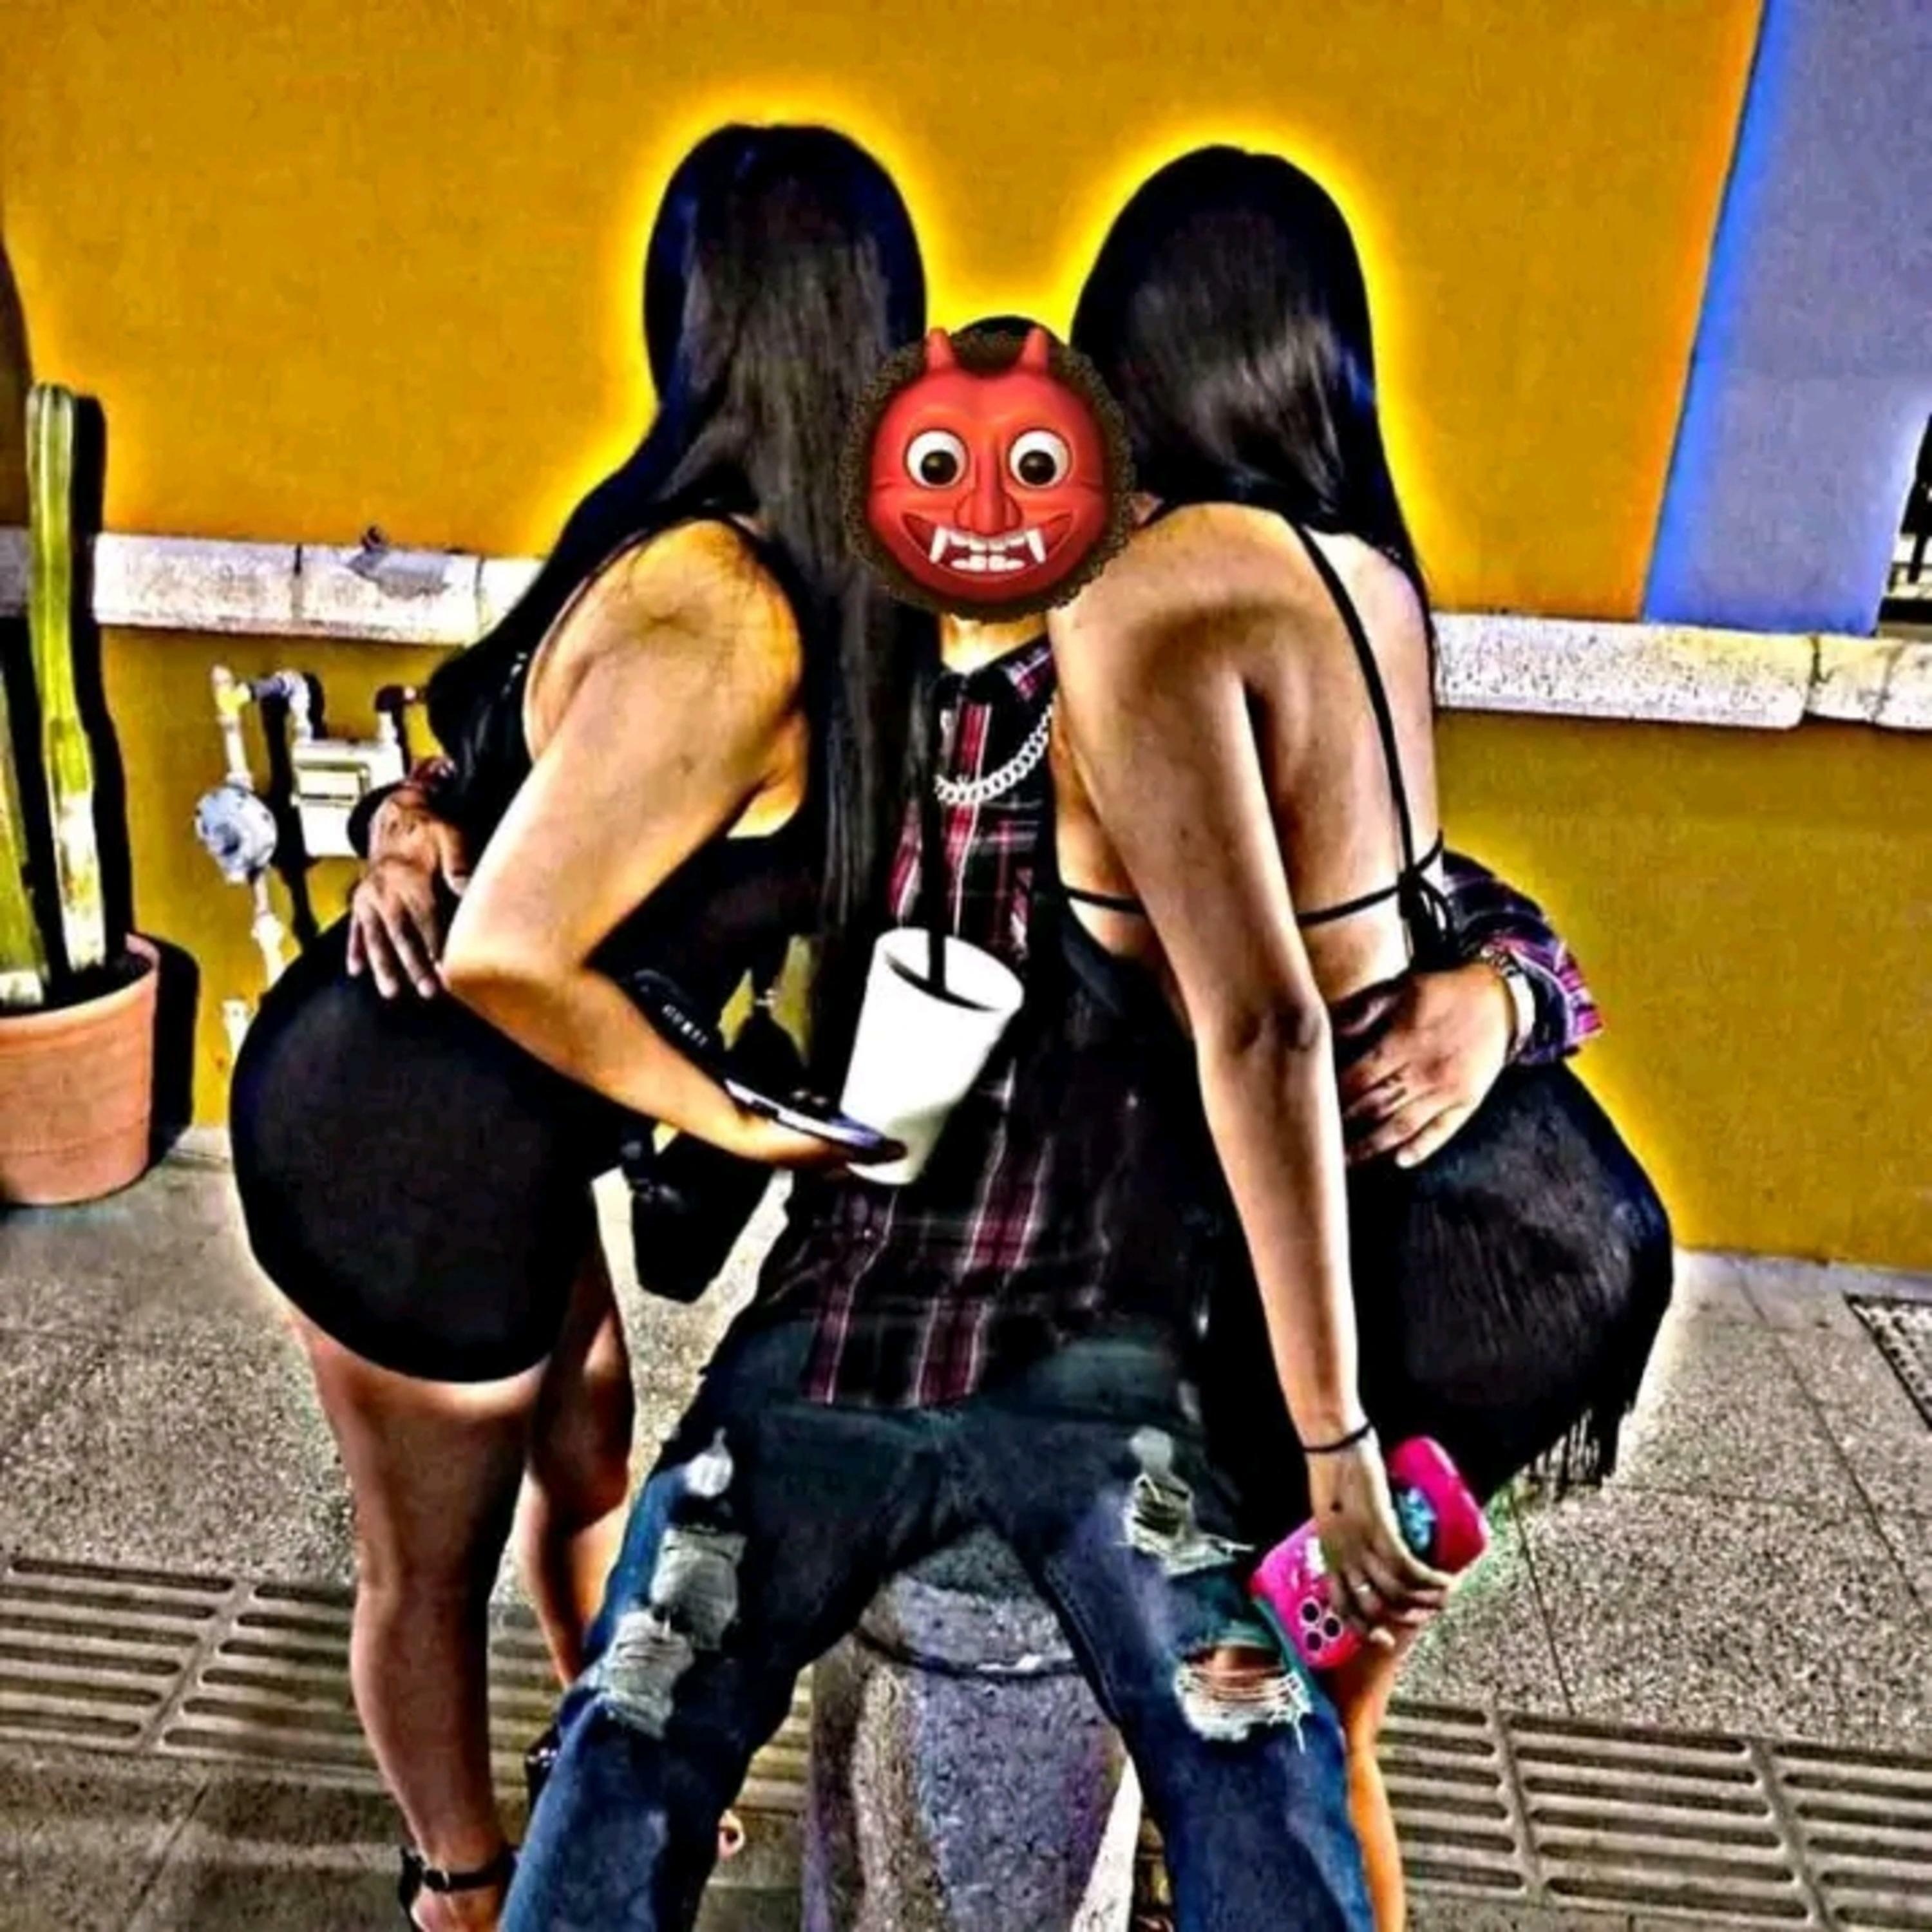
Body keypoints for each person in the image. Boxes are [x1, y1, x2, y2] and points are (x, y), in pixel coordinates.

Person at [497, 301, 1612, 1929]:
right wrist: (419, 824)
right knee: (636, 1708)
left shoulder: (1153, 690)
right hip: (832, 1333)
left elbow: (1402, 912)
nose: (986, 520)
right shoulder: (826, 693)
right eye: (940, 473)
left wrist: (1508, 993)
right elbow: (539, 821)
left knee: (1247, 1736)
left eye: (1037, 474)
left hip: (1095, 1349)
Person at [228, 122, 927, 1932]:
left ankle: (608, 1762)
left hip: (509, 1123)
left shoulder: (713, 543)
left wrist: (411, 818)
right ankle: (462, 1886)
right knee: (426, 1566)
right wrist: (738, 1117)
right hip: (403, 1141)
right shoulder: (728, 617)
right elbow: (510, 956)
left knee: (593, 1443)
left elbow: (463, 744)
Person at [1049, 147, 1674, 1928]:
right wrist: (1519, 996)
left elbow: (1263, 1031)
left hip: (1365, 1285)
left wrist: (1329, 1443)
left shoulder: (1154, 600)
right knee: (1316, 1736)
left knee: (1258, 1749)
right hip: (1530, 1234)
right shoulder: (1365, 575)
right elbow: (1399, 909)